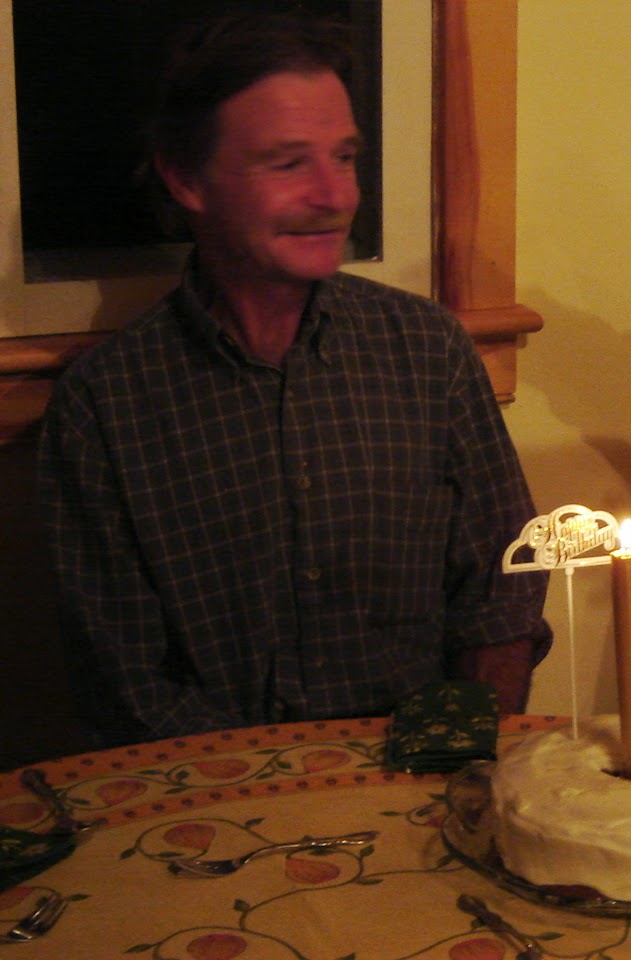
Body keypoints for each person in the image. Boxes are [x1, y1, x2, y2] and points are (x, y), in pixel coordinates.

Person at [38, 12, 551, 749]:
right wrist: (283, 785)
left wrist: (461, 753)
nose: (334, 195)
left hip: (428, 778)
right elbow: (124, 681)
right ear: (185, 178)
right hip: (221, 796)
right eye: (287, 164)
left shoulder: (427, 350)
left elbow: (504, 589)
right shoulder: (107, 404)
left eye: (344, 157)